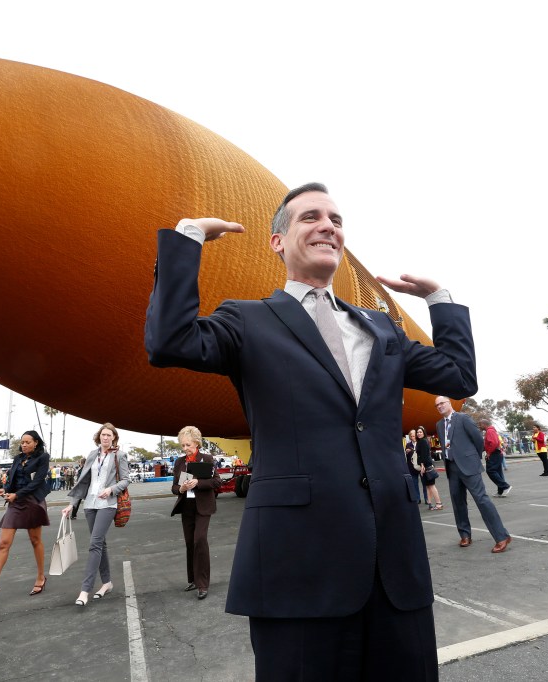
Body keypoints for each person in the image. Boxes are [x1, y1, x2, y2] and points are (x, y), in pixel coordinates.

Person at [144, 182, 477, 681]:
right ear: (278, 241)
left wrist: (441, 300)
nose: (328, 225)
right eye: (310, 217)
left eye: (336, 220)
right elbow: (169, 341)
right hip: (298, 569)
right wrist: (187, 238)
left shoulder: (382, 328)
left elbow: (458, 377)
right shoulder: (248, 319)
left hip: (395, 567)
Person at [0, 430, 51, 607]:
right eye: (22, 442)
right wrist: (5, 489)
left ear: (36, 443)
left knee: (35, 541)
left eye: (27, 442)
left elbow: (37, 482)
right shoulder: (18, 458)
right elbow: (12, 479)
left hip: (32, 501)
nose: (24, 445)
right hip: (15, 502)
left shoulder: (43, 457)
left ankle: (41, 576)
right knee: (3, 544)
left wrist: (16, 494)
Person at [63, 423, 129, 606]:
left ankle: (85, 590)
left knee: (94, 544)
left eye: (109, 435)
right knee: (101, 544)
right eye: (103, 435)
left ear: (114, 438)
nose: (106, 438)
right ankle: (107, 583)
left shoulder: (119, 455)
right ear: (99, 437)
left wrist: (111, 489)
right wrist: (71, 505)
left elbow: (126, 479)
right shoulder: (92, 455)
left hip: (108, 504)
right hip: (90, 504)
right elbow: (83, 482)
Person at [436, 398, 511, 552]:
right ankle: (465, 535)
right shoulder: (439, 425)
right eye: (437, 405)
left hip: (469, 466)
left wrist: (473, 458)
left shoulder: (463, 418)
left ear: (449, 403)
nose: (439, 406)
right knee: (458, 503)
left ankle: (502, 536)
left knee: (482, 500)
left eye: (442, 403)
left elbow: (478, 440)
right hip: (451, 467)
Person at [170, 426, 221, 600]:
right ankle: (192, 579)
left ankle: (202, 584)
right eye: (183, 445)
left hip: (203, 507)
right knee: (190, 543)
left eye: (188, 445)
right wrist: (181, 488)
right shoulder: (179, 462)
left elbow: (216, 482)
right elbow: (174, 488)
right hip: (187, 507)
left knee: (200, 540)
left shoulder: (206, 459)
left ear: (197, 443)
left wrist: (198, 482)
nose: (185, 449)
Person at [479, 419, 511, 497]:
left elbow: (494, 443)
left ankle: (505, 486)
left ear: (484, 424)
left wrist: (489, 453)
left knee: (490, 471)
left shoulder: (489, 431)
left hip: (494, 454)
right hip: (497, 453)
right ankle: (501, 491)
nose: (479, 426)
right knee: (498, 472)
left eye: (480, 424)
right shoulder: (491, 431)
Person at [416, 426, 444, 509]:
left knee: (431, 486)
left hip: (426, 466)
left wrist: (422, 465)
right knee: (428, 486)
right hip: (427, 465)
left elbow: (424, 455)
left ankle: (438, 504)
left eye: (420, 432)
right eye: (417, 432)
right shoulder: (422, 441)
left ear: (424, 432)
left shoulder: (423, 442)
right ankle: (430, 504)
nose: (418, 433)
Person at [404, 430, 423, 503]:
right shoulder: (408, 445)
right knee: (415, 484)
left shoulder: (421, 443)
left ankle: (427, 498)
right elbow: (407, 456)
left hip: (421, 466)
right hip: (412, 467)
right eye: (411, 436)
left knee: (425, 484)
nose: (413, 438)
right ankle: (418, 498)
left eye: (414, 436)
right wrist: (407, 451)